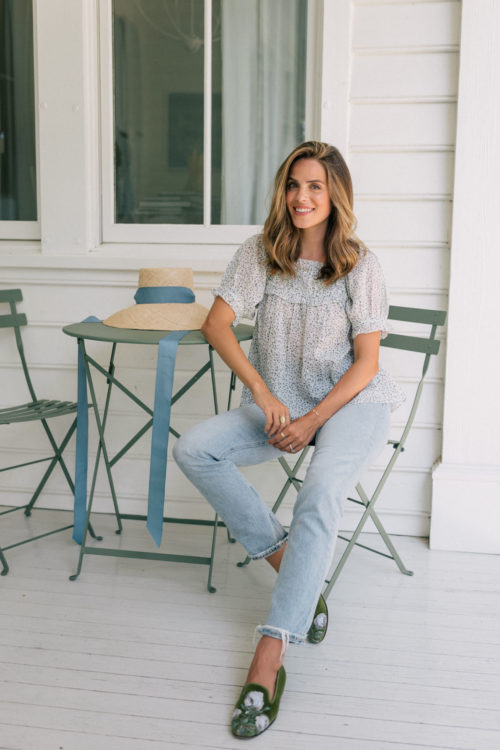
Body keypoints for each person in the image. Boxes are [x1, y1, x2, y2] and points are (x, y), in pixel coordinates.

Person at [173, 140, 405, 738]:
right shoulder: (260, 253)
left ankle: (271, 653)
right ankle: (289, 560)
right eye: (293, 185)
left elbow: (366, 364)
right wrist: (264, 395)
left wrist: (311, 420)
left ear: (335, 197)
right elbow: (216, 324)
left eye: (315, 188)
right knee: (195, 448)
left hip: (350, 404)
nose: (302, 197)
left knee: (321, 491)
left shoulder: (361, 263)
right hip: (278, 403)